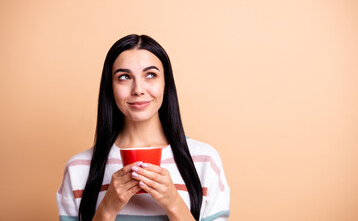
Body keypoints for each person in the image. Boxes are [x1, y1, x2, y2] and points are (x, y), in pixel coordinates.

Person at [56, 34, 230, 221]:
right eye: (124, 77)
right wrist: (106, 209)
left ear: (165, 84)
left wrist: (174, 204)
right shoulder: (78, 169)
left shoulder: (204, 161)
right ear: (110, 87)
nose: (138, 89)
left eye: (150, 75)